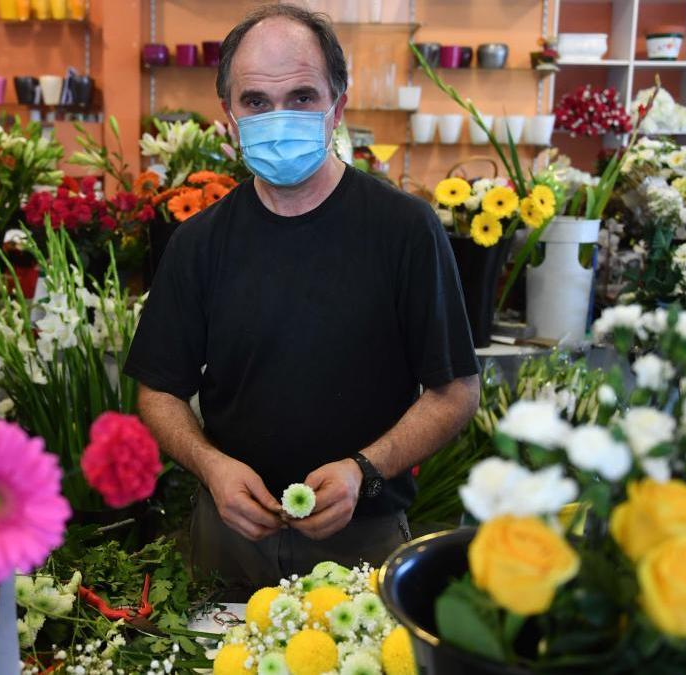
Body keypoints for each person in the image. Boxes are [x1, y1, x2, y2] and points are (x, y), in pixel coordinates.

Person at [123, 4, 481, 594]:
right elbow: (158, 389)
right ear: (229, 117)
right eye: (256, 102)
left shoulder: (404, 229)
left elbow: (456, 392)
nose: (278, 116)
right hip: (228, 536)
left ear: (337, 106)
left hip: (362, 539)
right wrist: (212, 467)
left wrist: (365, 469)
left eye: (302, 97)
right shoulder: (199, 241)